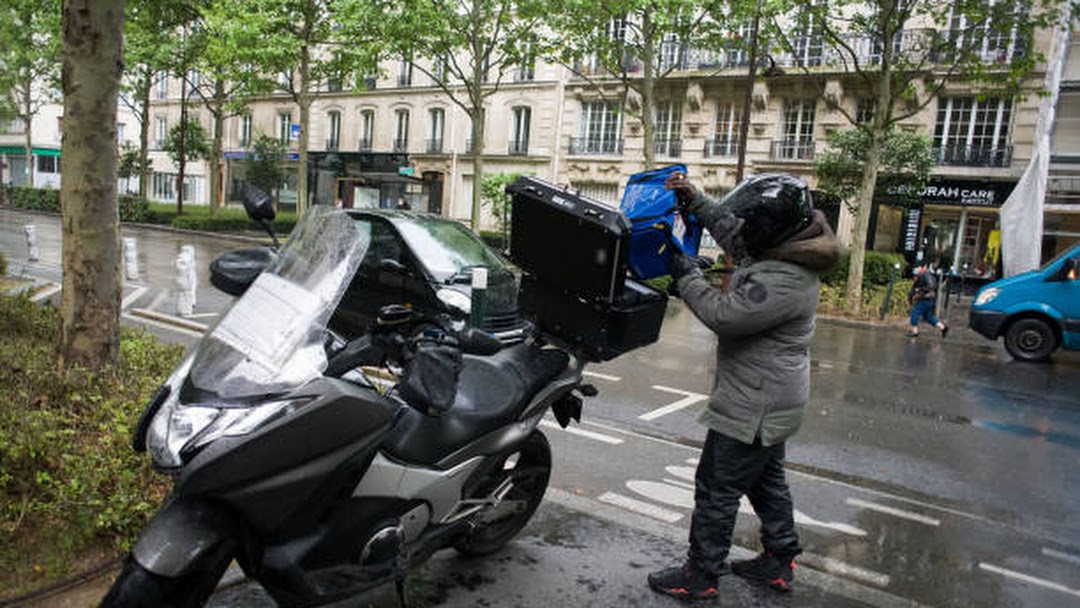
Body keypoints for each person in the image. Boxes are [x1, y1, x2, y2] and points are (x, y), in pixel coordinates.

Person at [647, 172, 840, 602]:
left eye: (752, 226)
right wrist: (696, 201)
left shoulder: (785, 277)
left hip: (754, 403)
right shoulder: (784, 245)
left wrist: (686, 276)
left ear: (769, 230)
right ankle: (779, 559)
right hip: (772, 398)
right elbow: (736, 231)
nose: (742, 233)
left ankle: (700, 575)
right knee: (766, 481)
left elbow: (726, 314)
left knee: (716, 487)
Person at [906, 263, 948, 338]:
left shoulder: (926, 275)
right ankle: (943, 327)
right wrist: (910, 298)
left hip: (925, 298)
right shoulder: (921, 275)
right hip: (928, 299)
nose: (917, 269)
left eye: (918, 267)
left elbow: (931, 286)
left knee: (915, 313)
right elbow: (913, 288)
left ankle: (914, 331)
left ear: (924, 267)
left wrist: (920, 290)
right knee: (928, 316)